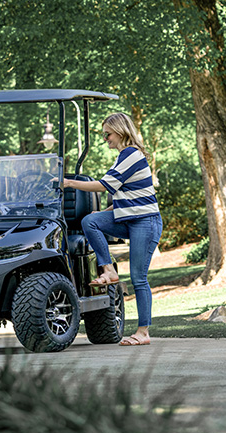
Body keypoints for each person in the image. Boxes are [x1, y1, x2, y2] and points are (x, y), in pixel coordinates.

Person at [63, 113, 162, 346]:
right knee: (91, 221)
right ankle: (108, 270)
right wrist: (103, 212)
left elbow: (104, 185)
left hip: (145, 223)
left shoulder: (131, 154)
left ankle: (143, 332)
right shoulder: (122, 156)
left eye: (107, 133)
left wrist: (69, 183)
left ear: (120, 131)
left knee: (139, 278)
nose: (105, 138)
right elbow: (124, 194)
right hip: (129, 219)